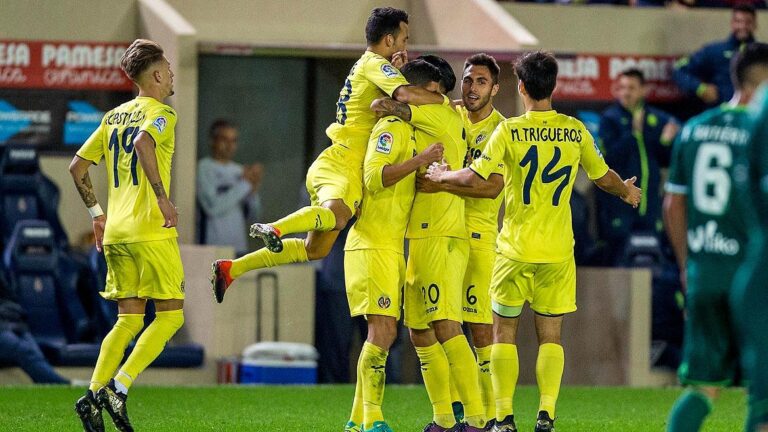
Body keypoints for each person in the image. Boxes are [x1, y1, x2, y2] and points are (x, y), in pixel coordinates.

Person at [425, 51, 642, 432]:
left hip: (513, 250)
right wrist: (625, 191)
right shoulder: (575, 131)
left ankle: (504, 419)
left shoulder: (507, 131)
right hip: (557, 253)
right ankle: (545, 415)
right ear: (553, 86)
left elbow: (476, 178)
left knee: (502, 333)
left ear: (521, 87)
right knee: (551, 337)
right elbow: (602, 175)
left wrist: (442, 176)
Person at [211, 7, 445, 303]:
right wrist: (445, 101)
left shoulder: (371, 67)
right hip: (343, 162)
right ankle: (275, 227)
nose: (405, 46)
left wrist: (399, 71)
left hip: (340, 163)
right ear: (388, 40)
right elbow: (405, 96)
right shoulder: (374, 63)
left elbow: (391, 96)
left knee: (316, 250)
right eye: (403, 39)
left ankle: (232, 268)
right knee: (337, 216)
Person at [69, 39, 185, 432]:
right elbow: (143, 143)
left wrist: (97, 216)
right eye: (168, 68)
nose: (171, 75)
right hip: (150, 230)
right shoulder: (162, 113)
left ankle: (92, 395)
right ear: (155, 75)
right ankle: (118, 387)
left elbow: (77, 168)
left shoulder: (113, 116)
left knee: (128, 321)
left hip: (116, 232)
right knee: (171, 317)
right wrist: (163, 198)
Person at [372, 56, 488, 432]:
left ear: (430, 92)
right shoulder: (435, 113)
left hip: (442, 231)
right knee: (419, 331)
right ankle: (443, 419)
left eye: (419, 91)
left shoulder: (436, 110)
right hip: (421, 234)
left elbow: (380, 104)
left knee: (446, 324)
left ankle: (476, 418)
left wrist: (390, 86)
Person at [343, 61, 445, 432]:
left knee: (384, 331)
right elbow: (373, 178)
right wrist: (420, 161)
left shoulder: (405, 126)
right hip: (371, 244)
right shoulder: (391, 128)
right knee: (383, 332)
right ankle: (373, 420)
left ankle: (357, 420)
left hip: (386, 246)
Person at [673, 43, 768, 432]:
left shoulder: (693, 129)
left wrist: (686, 265)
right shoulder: (759, 129)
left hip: (704, 270)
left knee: (703, 388)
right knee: (762, 397)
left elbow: (671, 205)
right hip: (752, 275)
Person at [416, 53, 506, 425]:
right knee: (434, 326)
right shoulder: (450, 114)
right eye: (468, 80)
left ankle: (490, 415)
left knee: (480, 329)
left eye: (481, 82)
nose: (472, 88)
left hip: (480, 237)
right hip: (444, 232)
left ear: (495, 89)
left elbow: (492, 188)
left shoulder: (501, 129)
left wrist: (445, 183)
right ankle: (453, 411)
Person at [598, 68, 678, 264]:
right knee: (621, 260)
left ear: (643, 90)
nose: (625, 92)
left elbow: (665, 159)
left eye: (631, 88)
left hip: (650, 204)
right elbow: (607, 159)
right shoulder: (610, 119)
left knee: (653, 263)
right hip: (620, 204)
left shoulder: (656, 118)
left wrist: (666, 142)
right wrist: (632, 133)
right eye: (622, 87)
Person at [197, 119, 263, 255]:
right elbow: (213, 207)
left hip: (239, 248)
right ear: (212, 141)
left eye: (233, 141)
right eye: (224, 139)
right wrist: (246, 184)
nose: (229, 145)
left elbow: (254, 215)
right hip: (213, 247)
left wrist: (254, 189)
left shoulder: (240, 170)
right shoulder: (205, 167)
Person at [673, 4, 757, 106]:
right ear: (732, 23)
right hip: (721, 114)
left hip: (756, 116)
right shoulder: (714, 51)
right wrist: (700, 88)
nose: (743, 26)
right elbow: (679, 69)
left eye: (748, 22)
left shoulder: (763, 53)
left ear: (754, 25)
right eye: (738, 21)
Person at [0, 271, 69, 385]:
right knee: (21, 349)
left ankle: (50, 383)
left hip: (8, 323)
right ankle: (60, 383)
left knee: (32, 348)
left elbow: (11, 299)